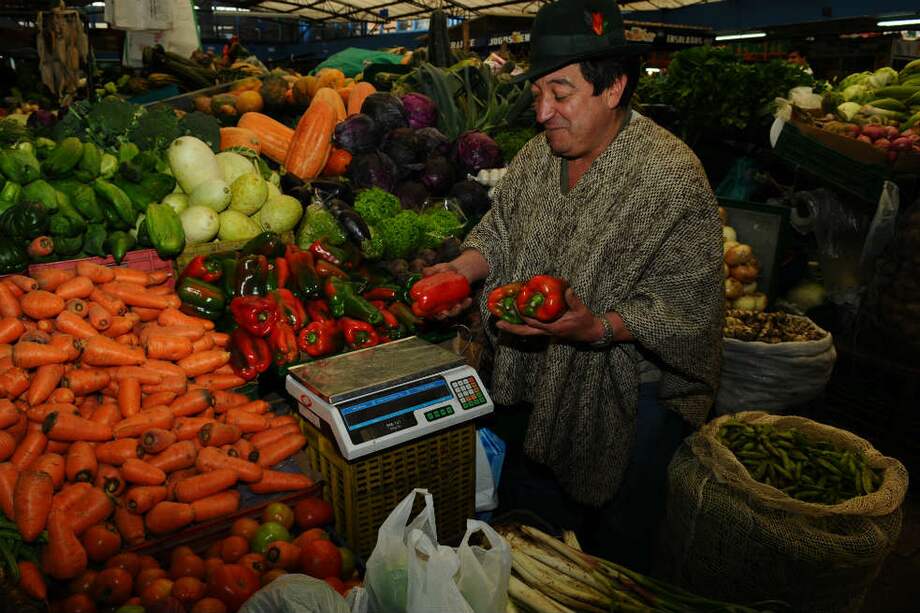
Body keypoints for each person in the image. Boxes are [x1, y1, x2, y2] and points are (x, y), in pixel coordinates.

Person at [426, 0, 723, 572]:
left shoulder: (671, 176)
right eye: (538, 93)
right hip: (534, 375)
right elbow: (502, 228)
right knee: (531, 533)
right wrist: (461, 269)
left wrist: (601, 326)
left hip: (631, 401)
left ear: (612, 88)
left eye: (559, 94)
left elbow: (690, 303)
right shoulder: (541, 157)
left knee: (615, 552)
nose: (542, 113)